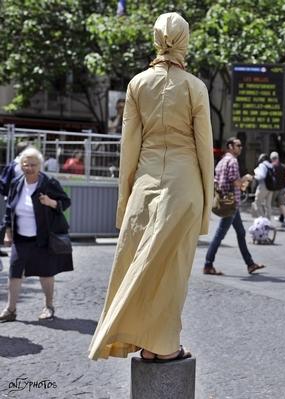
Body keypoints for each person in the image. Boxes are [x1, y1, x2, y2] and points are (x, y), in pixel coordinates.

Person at [88, 13, 214, 361]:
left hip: (145, 182)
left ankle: (143, 341)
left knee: (137, 262)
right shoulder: (195, 87)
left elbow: (128, 146)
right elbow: (204, 148)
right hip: (185, 183)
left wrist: (125, 199)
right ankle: (164, 345)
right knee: (172, 269)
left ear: (156, 38)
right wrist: (207, 202)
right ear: (185, 40)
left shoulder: (137, 84)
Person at [0, 147, 73, 322]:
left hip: (43, 237)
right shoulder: (16, 182)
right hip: (20, 238)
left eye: (33, 165)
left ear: (40, 165)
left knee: (46, 273)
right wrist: (8, 232)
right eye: (26, 164)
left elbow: (66, 202)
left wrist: (50, 202)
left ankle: (48, 306)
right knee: (14, 273)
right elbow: (9, 208)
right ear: (21, 166)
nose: (29, 168)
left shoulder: (48, 183)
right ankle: (10, 310)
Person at [203, 138, 266, 276]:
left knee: (241, 233)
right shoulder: (232, 161)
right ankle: (208, 264)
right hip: (231, 204)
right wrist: (246, 178)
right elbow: (235, 182)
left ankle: (250, 264)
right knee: (219, 235)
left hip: (229, 203)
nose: (241, 147)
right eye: (238, 145)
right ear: (230, 146)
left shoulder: (221, 161)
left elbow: (220, 181)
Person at [270, 152, 285, 227]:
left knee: (269, 205)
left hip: (273, 189)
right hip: (282, 188)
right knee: (282, 205)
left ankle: (268, 221)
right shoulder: (283, 167)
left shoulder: (271, 167)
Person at [252, 153, 273, 219]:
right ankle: (268, 220)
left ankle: (262, 219)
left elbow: (261, 176)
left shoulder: (262, 165)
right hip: (271, 187)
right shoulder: (271, 165)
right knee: (268, 204)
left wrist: (254, 176)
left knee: (257, 202)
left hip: (263, 185)